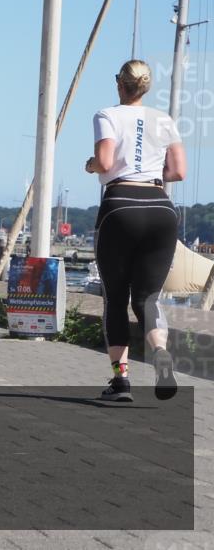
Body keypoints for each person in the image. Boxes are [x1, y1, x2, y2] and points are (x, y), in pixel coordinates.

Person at [85, 60, 186, 402]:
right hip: (160, 208)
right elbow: (179, 171)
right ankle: (160, 354)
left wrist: (91, 165)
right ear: (145, 87)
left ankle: (121, 381)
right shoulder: (164, 119)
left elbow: (105, 161)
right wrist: (151, 172)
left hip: (121, 206)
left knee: (116, 297)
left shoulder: (107, 115)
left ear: (120, 85)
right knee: (147, 298)